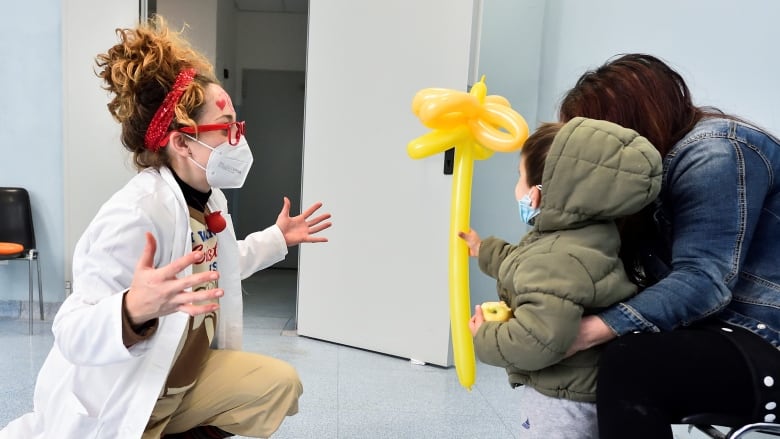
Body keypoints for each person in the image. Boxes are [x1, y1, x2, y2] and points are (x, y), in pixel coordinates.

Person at [0, 16, 331, 439]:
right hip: (126, 394)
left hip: (180, 374)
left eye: (237, 127)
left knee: (276, 386)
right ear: (181, 141)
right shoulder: (136, 213)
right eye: (226, 129)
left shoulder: (208, 197)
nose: (238, 140)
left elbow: (221, 265)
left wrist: (277, 239)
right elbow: (70, 330)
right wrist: (132, 310)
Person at [559, 53, 780, 439]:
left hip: (765, 337)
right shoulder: (645, 180)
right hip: (729, 331)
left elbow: (702, 281)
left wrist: (590, 330)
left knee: (632, 363)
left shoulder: (715, 151)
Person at [459, 117, 662, 438]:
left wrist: (484, 336)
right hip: (585, 386)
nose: (516, 189)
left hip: (561, 397)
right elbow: (525, 265)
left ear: (536, 195)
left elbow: (537, 340)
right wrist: (483, 249)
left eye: (519, 178)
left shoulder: (556, 258)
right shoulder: (587, 235)